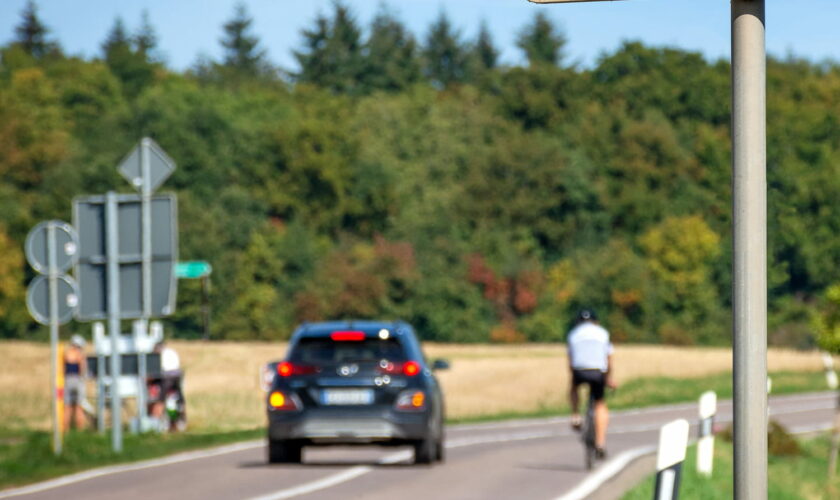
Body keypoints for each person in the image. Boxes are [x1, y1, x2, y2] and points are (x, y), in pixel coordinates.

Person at [567, 309, 616, 459]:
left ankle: (575, 415)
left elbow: (570, 359)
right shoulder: (602, 333)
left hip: (579, 371)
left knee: (574, 387)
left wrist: (573, 375)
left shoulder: (573, 334)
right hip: (598, 372)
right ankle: (600, 443)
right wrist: (608, 378)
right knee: (600, 403)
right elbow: (608, 360)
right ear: (595, 321)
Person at [63, 334, 88, 431]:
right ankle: (79, 431)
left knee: (67, 407)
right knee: (78, 407)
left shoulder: (65, 354)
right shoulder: (80, 354)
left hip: (67, 380)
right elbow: (83, 370)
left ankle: (65, 430)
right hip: (78, 380)